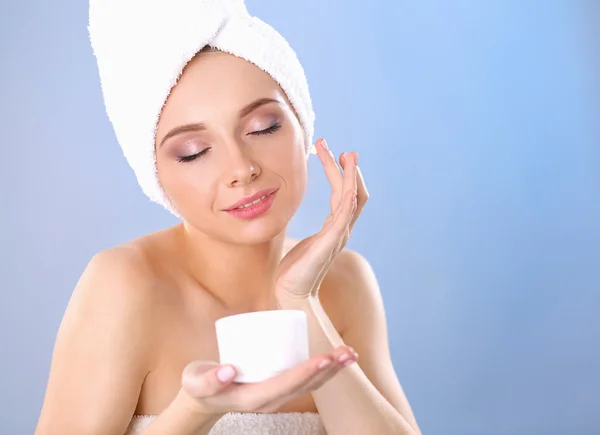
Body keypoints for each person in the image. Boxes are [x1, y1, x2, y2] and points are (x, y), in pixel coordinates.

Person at [35, 1, 421, 434]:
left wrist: (300, 300)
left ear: (303, 126)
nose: (241, 168)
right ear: (155, 175)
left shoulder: (346, 282)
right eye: (193, 152)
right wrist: (195, 411)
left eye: (263, 127)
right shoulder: (127, 284)